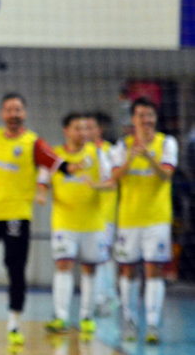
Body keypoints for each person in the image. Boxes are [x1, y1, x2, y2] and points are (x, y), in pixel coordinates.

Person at [0, 93, 79, 345]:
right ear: (2, 114)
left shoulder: (33, 142)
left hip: (17, 216)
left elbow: (60, 165)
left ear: (24, 113)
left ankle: (14, 324)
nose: (13, 115)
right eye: (9, 110)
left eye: (18, 110)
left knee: (15, 269)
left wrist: (77, 167)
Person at [36, 113, 114, 335]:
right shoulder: (54, 155)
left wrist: (98, 186)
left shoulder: (98, 153)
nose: (83, 133)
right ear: (66, 131)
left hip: (93, 223)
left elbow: (111, 182)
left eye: (86, 128)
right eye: (77, 128)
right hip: (64, 223)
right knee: (63, 265)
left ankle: (86, 316)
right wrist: (41, 194)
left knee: (90, 268)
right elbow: (43, 181)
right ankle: (60, 316)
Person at [111, 97, 178, 344]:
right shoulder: (122, 145)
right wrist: (131, 157)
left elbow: (165, 175)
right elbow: (115, 177)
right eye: (141, 115)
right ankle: (129, 320)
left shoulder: (166, 143)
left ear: (155, 118)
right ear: (134, 119)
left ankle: (152, 324)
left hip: (157, 219)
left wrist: (149, 157)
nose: (146, 120)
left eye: (149, 115)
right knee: (127, 270)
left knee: (154, 270)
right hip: (129, 219)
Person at [85, 112, 118, 317]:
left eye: (91, 127)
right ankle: (103, 298)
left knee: (102, 257)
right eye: (83, 127)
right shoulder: (79, 153)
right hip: (84, 215)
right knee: (93, 258)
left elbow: (112, 180)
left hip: (105, 214)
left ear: (99, 130)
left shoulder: (109, 152)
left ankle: (106, 299)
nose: (86, 131)